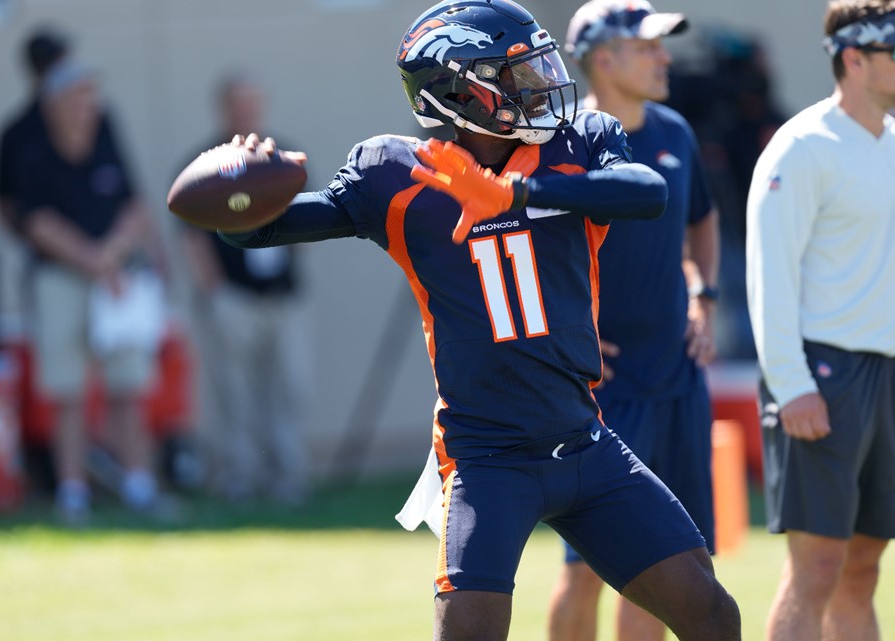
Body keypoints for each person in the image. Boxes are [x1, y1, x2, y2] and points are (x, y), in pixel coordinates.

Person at [170, 2, 740, 639]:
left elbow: (647, 192)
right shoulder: (396, 176)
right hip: (486, 459)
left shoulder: (579, 141)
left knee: (711, 614)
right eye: (518, 75)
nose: (544, 84)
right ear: (459, 92)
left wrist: (517, 195)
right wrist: (240, 186)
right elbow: (258, 235)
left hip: (583, 440)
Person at [745, 2, 895, 639]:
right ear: (853, 57)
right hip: (821, 375)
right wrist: (793, 383)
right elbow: (769, 277)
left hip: (891, 379)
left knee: (863, 567)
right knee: (817, 567)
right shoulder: (802, 147)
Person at [546, 2, 720, 640]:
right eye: (647, 46)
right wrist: (566, 342)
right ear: (602, 57)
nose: (663, 57)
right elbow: (525, 255)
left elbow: (702, 218)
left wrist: (706, 294)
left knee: (672, 564)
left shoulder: (675, 131)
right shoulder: (561, 144)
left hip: (676, 379)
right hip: (602, 394)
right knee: (586, 569)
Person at [14, 57, 169, 524]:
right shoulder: (32, 146)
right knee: (69, 391)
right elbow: (35, 221)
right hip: (61, 279)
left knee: (128, 384)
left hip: (116, 278)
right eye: (79, 96)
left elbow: (133, 203)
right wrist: (91, 260)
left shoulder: (106, 132)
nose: (89, 105)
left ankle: (139, 485)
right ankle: (73, 492)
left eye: (91, 95)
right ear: (56, 102)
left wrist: (113, 255)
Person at [178, 76, 311, 505]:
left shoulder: (281, 156)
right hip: (233, 296)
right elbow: (191, 235)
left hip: (281, 296)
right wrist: (214, 289)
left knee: (290, 387)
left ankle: (288, 478)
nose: (247, 113)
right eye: (239, 105)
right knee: (233, 392)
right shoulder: (205, 163)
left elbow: (310, 218)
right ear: (224, 109)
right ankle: (237, 477)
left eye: (253, 104)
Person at [0, 26, 70, 235]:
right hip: (47, 257)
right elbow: (5, 205)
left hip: (106, 255)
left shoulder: (91, 118)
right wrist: (36, 237)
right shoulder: (17, 134)